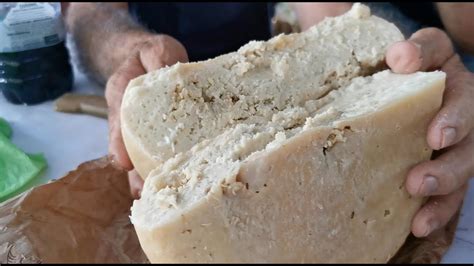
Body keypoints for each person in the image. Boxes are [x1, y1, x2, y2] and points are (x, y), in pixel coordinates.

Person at [63, 2, 474, 239]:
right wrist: (126, 51)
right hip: (147, 85)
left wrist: (403, 63)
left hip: (264, 68)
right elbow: (89, 14)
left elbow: (332, 19)